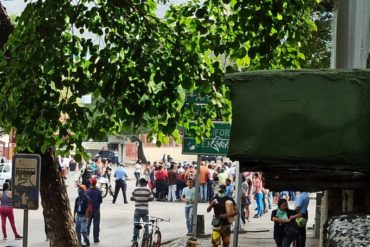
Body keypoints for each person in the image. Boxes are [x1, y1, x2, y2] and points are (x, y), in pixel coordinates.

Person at [130, 178, 154, 244]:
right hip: (145, 209)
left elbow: (131, 198)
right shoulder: (148, 189)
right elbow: (151, 198)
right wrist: (146, 199)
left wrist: (137, 199)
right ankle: (146, 236)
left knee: (136, 224)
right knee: (146, 223)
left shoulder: (135, 189)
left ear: (139, 183)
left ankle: (135, 238)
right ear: (145, 183)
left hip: (137, 210)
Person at [86, 177, 103, 243]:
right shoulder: (98, 191)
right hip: (96, 209)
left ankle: (86, 238)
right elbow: (100, 200)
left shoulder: (87, 191)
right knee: (96, 224)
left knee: (87, 225)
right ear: (96, 183)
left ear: (91, 183)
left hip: (88, 210)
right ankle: (96, 238)